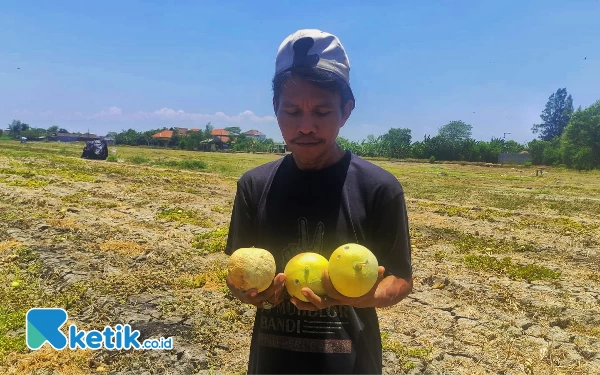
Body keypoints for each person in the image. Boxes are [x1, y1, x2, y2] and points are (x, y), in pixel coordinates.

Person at [224, 29, 413, 375]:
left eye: (322, 112)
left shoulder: (379, 188)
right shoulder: (253, 185)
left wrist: (364, 297)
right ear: (275, 109)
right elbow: (235, 275)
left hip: (351, 364)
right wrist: (249, 293)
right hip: (271, 364)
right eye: (292, 112)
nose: (306, 126)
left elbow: (400, 279)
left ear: (346, 111)